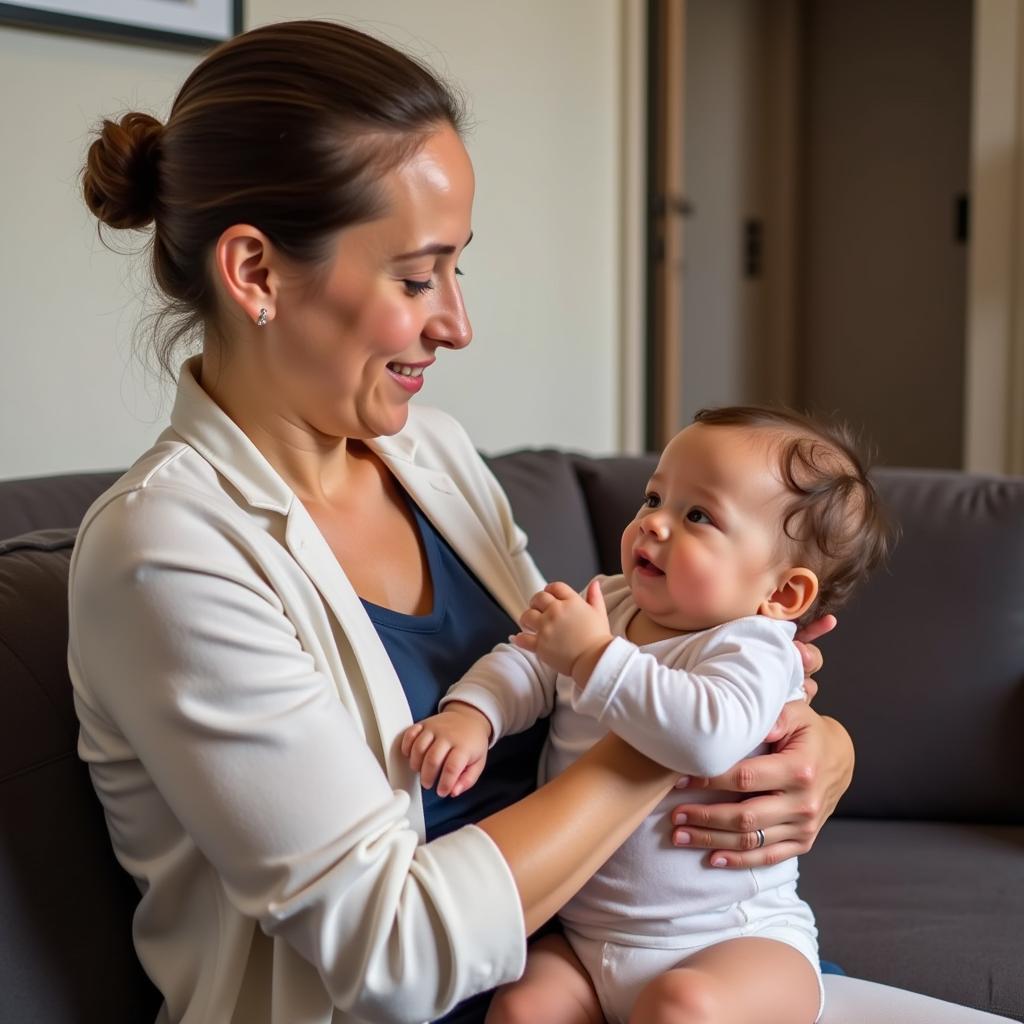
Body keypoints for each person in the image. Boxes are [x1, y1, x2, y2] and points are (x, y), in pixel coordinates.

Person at [69, 18, 1013, 1024]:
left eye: (456, 268)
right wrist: (674, 736)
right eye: (415, 275)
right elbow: (393, 954)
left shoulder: (429, 455)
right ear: (255, 272)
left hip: (616, 975)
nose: (456, 322)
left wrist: (812, 745)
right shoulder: (165, 553)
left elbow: (578, 664)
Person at [403, 406, 892, 1024]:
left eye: (698, 516)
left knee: (683, 1006)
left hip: (732, 941)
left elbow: (706, 738)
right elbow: (526, 664)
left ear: (782, 595)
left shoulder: (754, 647)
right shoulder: (609, 599)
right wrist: (474, 715)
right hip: (587, 942)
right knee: (525, 1007)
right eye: (653, 497)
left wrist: (591, 657)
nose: (653, 524)